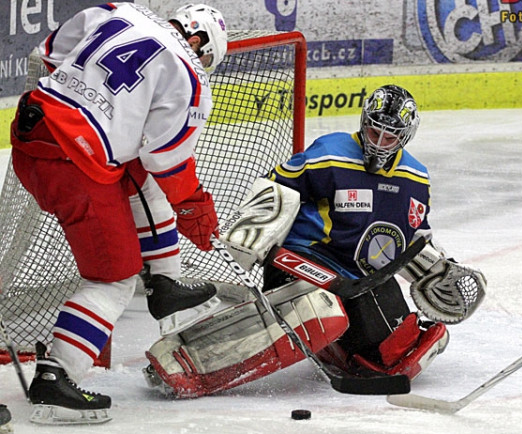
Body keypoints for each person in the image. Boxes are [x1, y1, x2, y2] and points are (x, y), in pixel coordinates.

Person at [142, 85, 487, 398]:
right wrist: (253, 237)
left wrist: (437, 270)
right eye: (374, 130)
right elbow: (276, 189)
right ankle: (181, 360)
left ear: (405, 137)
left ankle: (340, 338)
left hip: (358, 280)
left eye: (389, 137)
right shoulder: (330, 153)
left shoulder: (416, 178)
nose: (379, 141)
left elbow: (411, 239)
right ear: (363, 122)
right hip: (303, 263)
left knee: (393, 353)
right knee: (317, 314)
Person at [9, 3, 227, 425]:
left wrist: (101, 110)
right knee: (114, 278)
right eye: (205, 57)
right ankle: (57, 376)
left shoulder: (119, 9)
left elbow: (50, 53)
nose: (202, 64)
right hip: (73, 166)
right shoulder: (191, 76)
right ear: (197, 41)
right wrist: (195, 206)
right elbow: (170, 159)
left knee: (135, 171)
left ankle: (164, 282)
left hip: (31, 130)